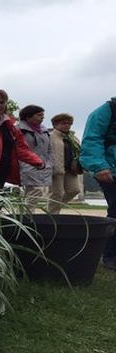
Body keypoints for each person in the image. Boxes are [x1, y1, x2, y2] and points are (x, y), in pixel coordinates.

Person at [79, 97, 116, 270]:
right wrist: (99, 166)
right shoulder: (106, 111)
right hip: (111, 169)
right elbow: (92, 139)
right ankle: (110, 255)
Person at [16, 105, 53, 207]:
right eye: (39, 115)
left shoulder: (45, 131)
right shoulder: (18, 129)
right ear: (28, 117)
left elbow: (49, 150)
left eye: (43, 115)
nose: (42, 117)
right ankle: (28, 218)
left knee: (36, 193)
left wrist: (49, 164)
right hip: (26, 166)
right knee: (35, 192)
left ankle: (28, 218)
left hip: (43, 167)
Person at [48, 113, 81, 213]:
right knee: (56, 193)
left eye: (69, 123)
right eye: (63, 123)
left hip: (71, 169)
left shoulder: (73, 138)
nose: (67, 125)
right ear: (55, 124)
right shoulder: (49, 136)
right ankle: (53, 214)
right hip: (56, 169)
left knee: (74, 190)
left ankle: (53, 207)